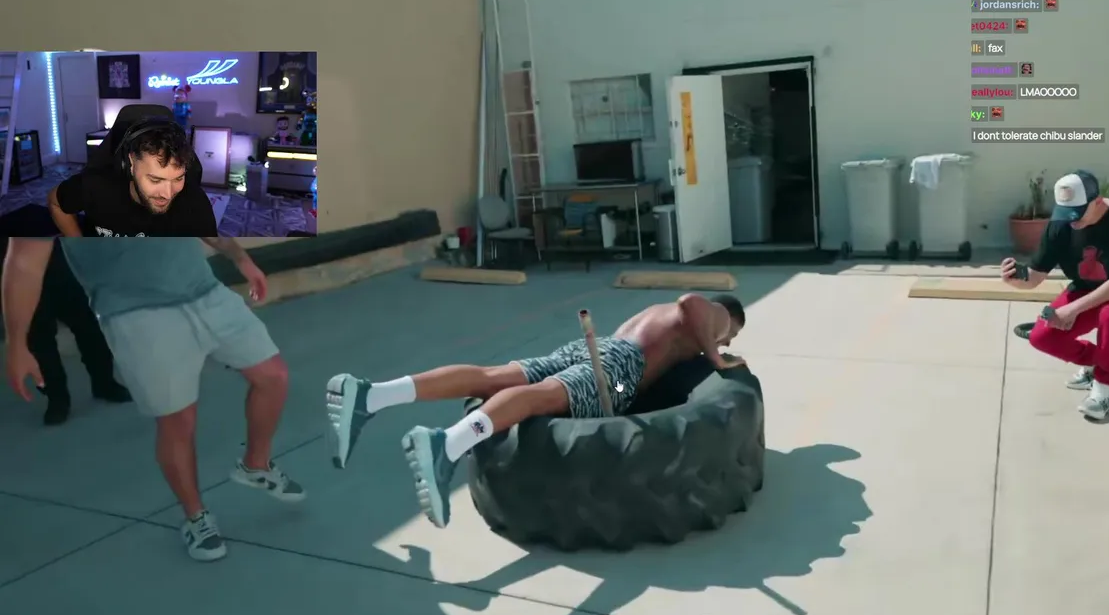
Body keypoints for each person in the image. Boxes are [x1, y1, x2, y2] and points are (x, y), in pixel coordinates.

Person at [325, 294, 748, 529]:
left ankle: (371, 396)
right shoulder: (712, 316)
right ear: (728, 316)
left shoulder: (656, 315)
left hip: (598, 350)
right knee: (542, 397)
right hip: (622, 368)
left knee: (491, 377)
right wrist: (716, 353)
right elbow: (692, 303)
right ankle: (446, 445)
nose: (727, 341)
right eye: (731, 333)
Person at [3, 236, 304, 561]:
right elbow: (24, 263)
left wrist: (240, 257)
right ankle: (196, 518)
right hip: (137, 314)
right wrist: (17, 343)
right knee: (178, 419)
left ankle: (256, 464)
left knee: (273, 377)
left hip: (206, 291)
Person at [1000, 170, 1109, 420]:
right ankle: (1098, 364)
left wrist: (1073, 309)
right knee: (1042, 336)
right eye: (1066, 212)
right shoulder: (1061, 225)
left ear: (1097, 201)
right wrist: (1015, 280)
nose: (1072, 220)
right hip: (1087, 287)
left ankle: (1105, 388)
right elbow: (1034, 277)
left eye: (1078, 213)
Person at [48, 115, 218, 237]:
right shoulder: (96, 185)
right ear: (130, 162)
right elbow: (55, 203)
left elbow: (210, 256)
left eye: (178, 178)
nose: (167, 194)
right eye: (155, 180)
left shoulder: (195, 203)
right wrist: (80, 247)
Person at [27, 239, 132, 425]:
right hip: (23, 276)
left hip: (64, 264)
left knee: (90, 329)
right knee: (41, 342)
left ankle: (105, 383)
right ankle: (57, 399)